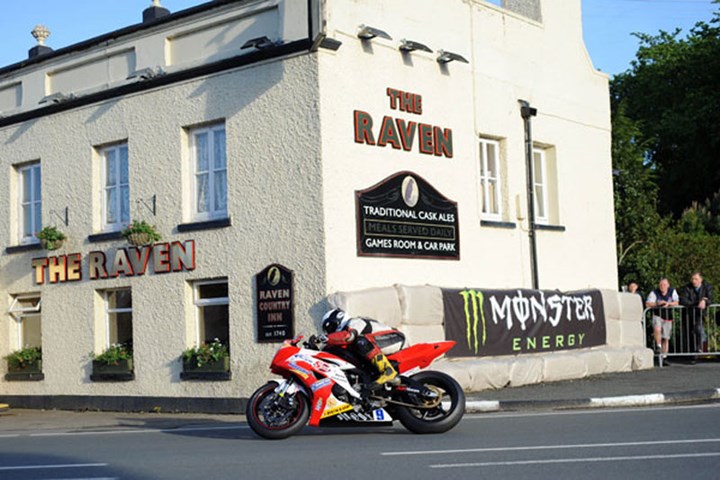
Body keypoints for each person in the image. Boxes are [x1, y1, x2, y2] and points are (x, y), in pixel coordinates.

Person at [319, 308, 405, 389]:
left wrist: (325, 338)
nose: (330, 332)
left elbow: (349, 336)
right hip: (379, 344)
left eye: (330, 327)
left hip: (394, 337)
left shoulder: (355, 322)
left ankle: (388, 371)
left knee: (360, 341)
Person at [679, 272, 714, 363]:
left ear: (701, 280)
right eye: (692, 279)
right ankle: (692, 354)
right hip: (688, 314)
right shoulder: (687, 288)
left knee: (698, 329)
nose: (694, 281)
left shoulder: (707, 287)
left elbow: (711, 298)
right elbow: (683, 300)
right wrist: (697, 303)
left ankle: (697, 350)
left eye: (696, 279)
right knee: (689, 333)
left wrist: (705, 300)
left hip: (700, 314)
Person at [645, 278, 679, 364]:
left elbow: (677, 302)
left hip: (668, 316)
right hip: (658, 315)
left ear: (668, 285)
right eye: (660, 285)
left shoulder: (672, 291)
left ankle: (664, 357)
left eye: (664, 285)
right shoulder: (654, 292)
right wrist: (657, 303)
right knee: (657, 329)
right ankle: (658, 346)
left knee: (666, 338)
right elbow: (647, 303)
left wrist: (669, 304)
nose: (662, 287)